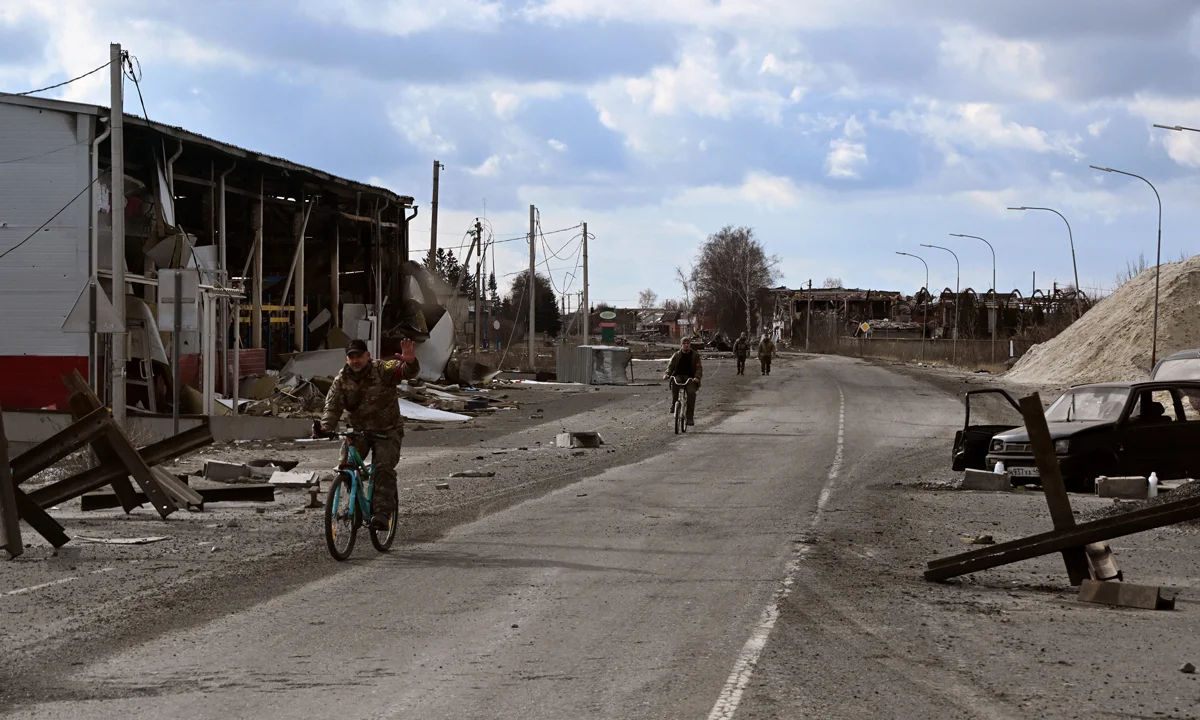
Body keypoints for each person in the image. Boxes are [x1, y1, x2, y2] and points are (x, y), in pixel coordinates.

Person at [319, 338, 420, 530]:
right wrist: (325, 427)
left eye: (359, 356)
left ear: (368, 356)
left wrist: (410, 362)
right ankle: (355, 508)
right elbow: (332, 407)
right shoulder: (341, 380)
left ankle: (381, 513)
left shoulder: (382, 369)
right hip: (359, 432)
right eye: (351, 357)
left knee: (383, 468)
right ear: (346, 359)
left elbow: (405, 372)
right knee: (345, 466)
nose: (355, 361)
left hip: (388, 430)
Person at [663, 337, 703, 426]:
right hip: (678, 375)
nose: (686, 345)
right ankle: (674, 404)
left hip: (690, 377)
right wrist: (667, 374)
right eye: (684, 344)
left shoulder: (695, 355)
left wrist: (697, 377)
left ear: (690, 345)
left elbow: (699, 368)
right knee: (675, 384)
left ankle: (689, 418)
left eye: (687, 343)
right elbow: (670, 366)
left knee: (691, 393)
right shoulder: (676, 355)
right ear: (681, 345)